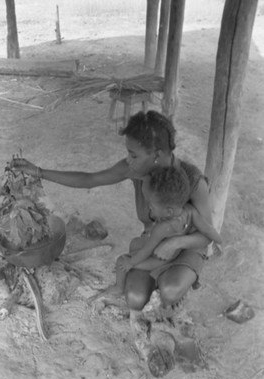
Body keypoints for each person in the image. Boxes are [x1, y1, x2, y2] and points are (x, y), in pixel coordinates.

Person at [12, 110, 214, 318]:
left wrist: (175, 243)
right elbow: (90, 179)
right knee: (135, 299)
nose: (129, 160)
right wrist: (39, 172)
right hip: (151, 245)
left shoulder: (193, 181)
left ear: (158, 155)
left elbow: (206, 235)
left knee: (169, 291)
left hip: (187, 245)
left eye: (133, 154)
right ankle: (161, 282)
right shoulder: (135, 170)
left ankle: (174, 284)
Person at [106, 165, 222, 298]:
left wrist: (130, 263)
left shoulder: (161, 228)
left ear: (168, 211)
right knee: (136, 246)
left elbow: (147, 251)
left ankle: (118, 288)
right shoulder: (191, 212)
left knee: (122, 261)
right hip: (174, 254)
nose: (150, 210)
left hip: (159, 259)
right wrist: (219, 239)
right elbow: (208, 231)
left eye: (152, 206)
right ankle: (157, 284)